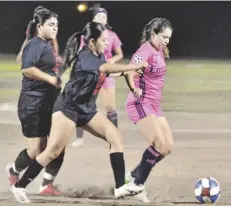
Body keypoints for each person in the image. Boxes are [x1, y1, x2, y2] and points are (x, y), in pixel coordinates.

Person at [10, 21, 147, 203]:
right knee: (52, 152)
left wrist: (127, 75)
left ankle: (120, 187)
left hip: (86, 109)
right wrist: (134, 66)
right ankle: (19, 186)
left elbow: (106, 72)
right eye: (103, 40)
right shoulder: (86, 56)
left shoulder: (96, 56)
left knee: (116, 137)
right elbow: (105, 68)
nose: (107, 43)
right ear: (91, 42)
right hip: (68, 108)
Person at [6, 9, 64, 197]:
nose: (55, 28)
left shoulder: (47, 45)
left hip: (49, 102)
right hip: (33, 103)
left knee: (56, 144)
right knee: (36, 149)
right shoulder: (34, 44)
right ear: (39, 27)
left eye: (56, 25)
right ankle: (14, 170)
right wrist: (51, 79)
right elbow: (27, 69)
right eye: (50, 24)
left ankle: (47, 184)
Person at [124, 18, 174, 202]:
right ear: (153, 34)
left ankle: (132, 176)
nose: (166, 41)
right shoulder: (145, 50)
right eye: (163, 37)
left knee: (167, 147)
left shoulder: (159, 50)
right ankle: (136, 185)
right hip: (140, 102)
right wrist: (133, 88)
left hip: (154, 105)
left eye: (169, 37)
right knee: (158, 143)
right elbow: (130, 70)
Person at [72, 7, 123, 147]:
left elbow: (119, 54)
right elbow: (81, 53)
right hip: (90, 75)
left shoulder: (112, 35)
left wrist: (112, 61)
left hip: (106, 74)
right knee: (81, 104)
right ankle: (79, 139)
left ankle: (114, 138)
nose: (101, 18)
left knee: (110, 107)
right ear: (93, 19)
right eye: (98, 16)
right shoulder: (86, 36)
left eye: (104, 16)